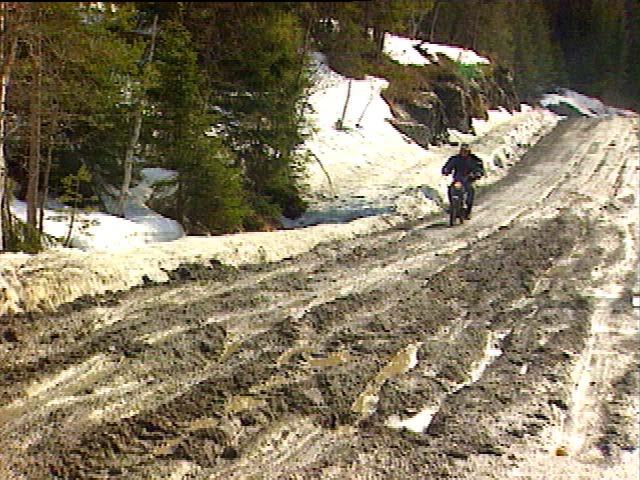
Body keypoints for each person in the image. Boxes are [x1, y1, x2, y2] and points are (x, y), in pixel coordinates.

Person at [441, 143, 485, 219]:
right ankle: (452, 205)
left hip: (468, 180)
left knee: (470, 191)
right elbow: (448, 165)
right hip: (457, 180)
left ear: (469, 151)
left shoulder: (473, 159)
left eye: (465, 151)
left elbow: (479, 169)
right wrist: (446, 170)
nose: (463, 152)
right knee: (451, 190)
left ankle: (468, 210)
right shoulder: (455, 159)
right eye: (462, 151)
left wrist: (477, 174)